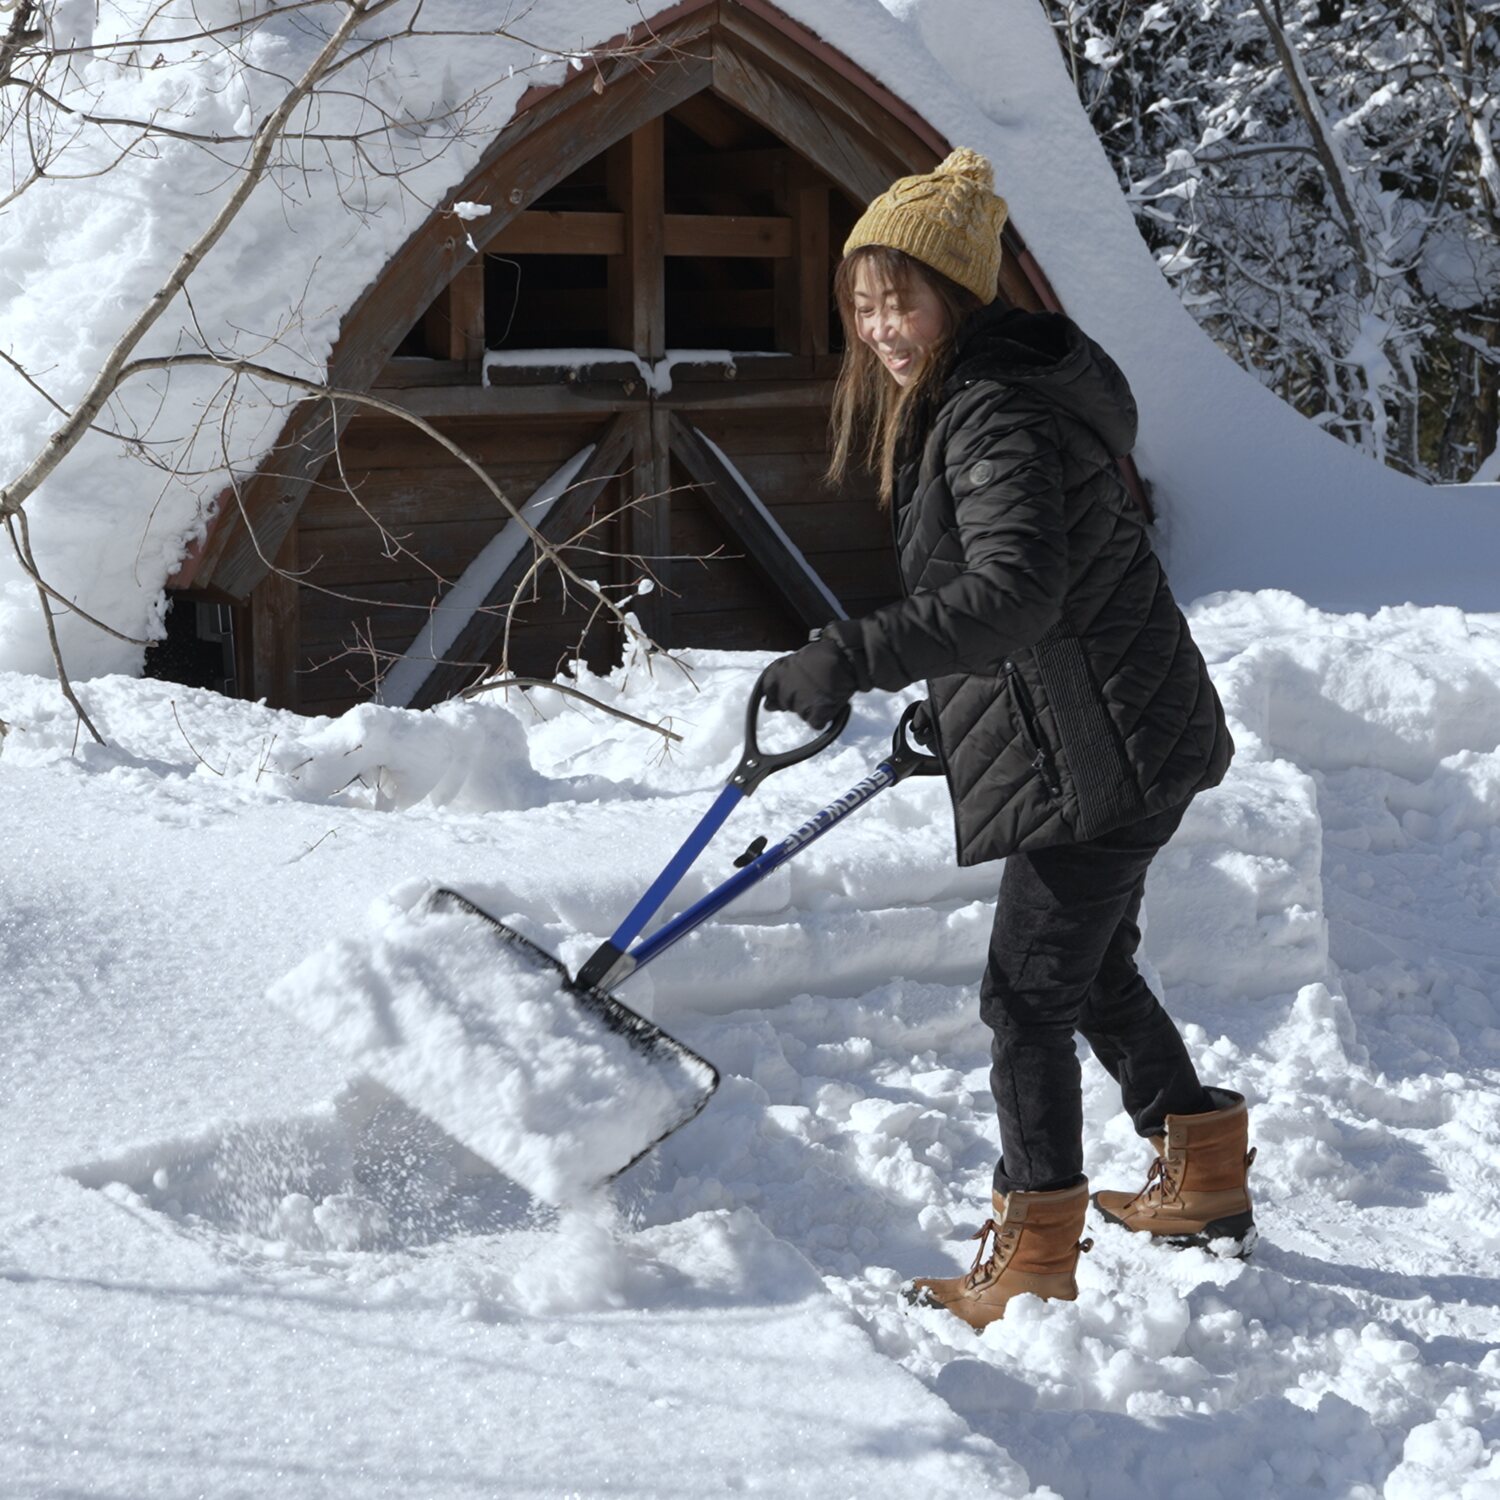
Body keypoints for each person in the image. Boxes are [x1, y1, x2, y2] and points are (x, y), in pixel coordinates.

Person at [760, 149, 1254, 1332]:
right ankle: (1205, 1169)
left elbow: (1016, 592)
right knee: (1087, 973)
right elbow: (1046, 601)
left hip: (1107, 751)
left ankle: (1034, 1251)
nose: (884, 327)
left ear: (961, 298)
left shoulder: (994, 416)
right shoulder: (990, 399)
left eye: (906, 300)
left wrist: (851, 653)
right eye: (865, 303)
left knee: (1025, 998)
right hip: (1118, 728)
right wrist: (963, 704)